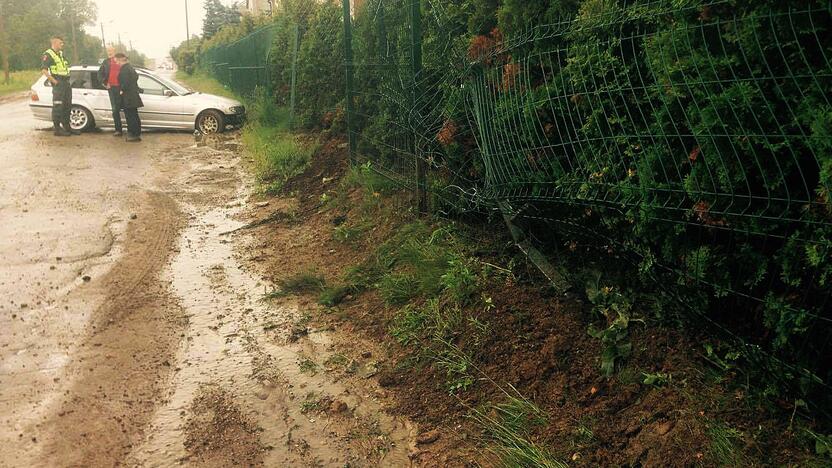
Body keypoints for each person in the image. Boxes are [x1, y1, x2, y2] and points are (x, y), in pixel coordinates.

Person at [41, 36, 77, 137]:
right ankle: (57, 129)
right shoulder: (48, 54)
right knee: (58, 106)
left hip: (66, 83)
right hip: (58, 83)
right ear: (55, 43)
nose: (62, 45)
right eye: (61, 43)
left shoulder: (60, 54)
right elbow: (44, 70)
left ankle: (67, 127)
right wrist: (54, 81)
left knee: (67, 105)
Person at [115, 53, 143, 142]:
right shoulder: (130, 67)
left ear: (120, 59)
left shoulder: (125, 69)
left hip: (128, 97)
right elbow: (135, 78)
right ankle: (135, 133)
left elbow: (125, 82)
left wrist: (121, 90)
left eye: (117, 61)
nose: (117, 63)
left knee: (130, 116)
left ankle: (133, 135)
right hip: (132, 95)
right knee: (133, 115)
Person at [97, 46, 124, 137]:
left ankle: (132, 129)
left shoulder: (119, 60)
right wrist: (104, 83)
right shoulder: (105, 62)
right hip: (112, 88)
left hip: (122, 88)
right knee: (115, 109)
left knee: (126, 108)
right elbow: (99, 74)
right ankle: (118, 130)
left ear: (114, 51)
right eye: (108, 51)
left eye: (111, 50)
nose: (109, 52)